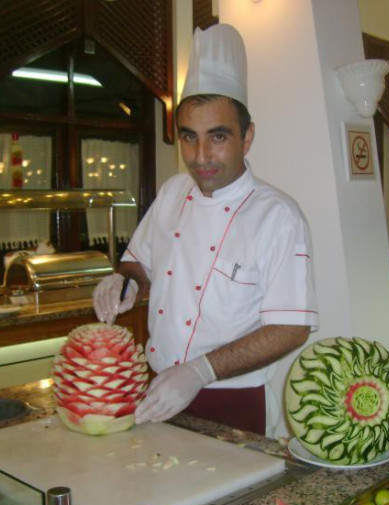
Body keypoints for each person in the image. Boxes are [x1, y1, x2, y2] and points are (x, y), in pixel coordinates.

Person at [92, 24, 318, 435]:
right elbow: (139, 264)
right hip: (156, 388)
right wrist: (123, 282)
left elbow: (291, 327)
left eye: (218, 137)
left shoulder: (278, 217)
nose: (200, 156)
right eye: (189, 137)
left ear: (247, 137)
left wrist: (199, 371)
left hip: (232, 399)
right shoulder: (172, 192)